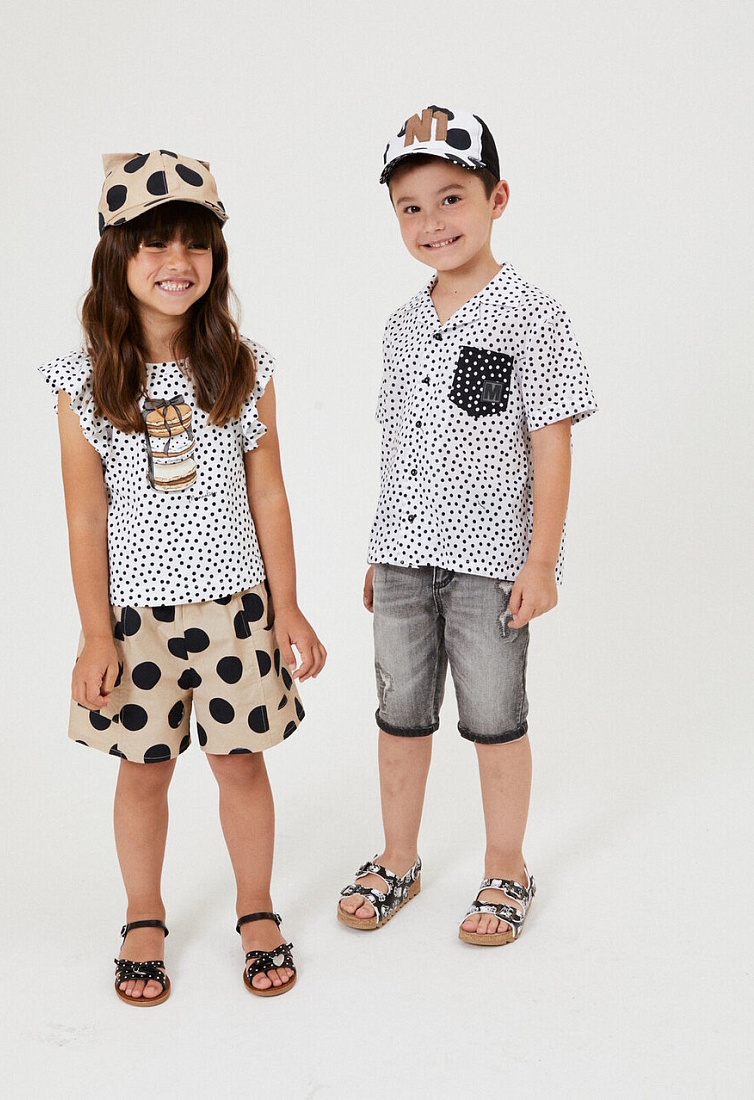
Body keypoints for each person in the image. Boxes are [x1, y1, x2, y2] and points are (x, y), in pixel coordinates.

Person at [40, 149, 325, 1003]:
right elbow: (85, 517)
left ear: (216, 258)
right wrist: (96, 635)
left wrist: (288, 607)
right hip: (137, 623)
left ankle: (256, 908)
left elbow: (269, 495)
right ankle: (143, 915)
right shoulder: (86, 381)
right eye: (154, 243)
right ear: (116, 257)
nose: (177, 261)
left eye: (195, 244)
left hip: (237, 611)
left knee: (240, 766)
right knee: (144, 772)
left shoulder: (242, 366)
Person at [337, 107, 596, 944]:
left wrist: (541, 561)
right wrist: (381, 547)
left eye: (451, 199)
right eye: (410, 208)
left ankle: (505, 868)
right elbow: (399, 443)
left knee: (494, 719)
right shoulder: (401, 325)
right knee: (399, 716)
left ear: (497, 199)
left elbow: (550, 443)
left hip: (492, 566)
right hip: (403, 559)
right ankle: (398, 858)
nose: (432, 222)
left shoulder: (533, 315)